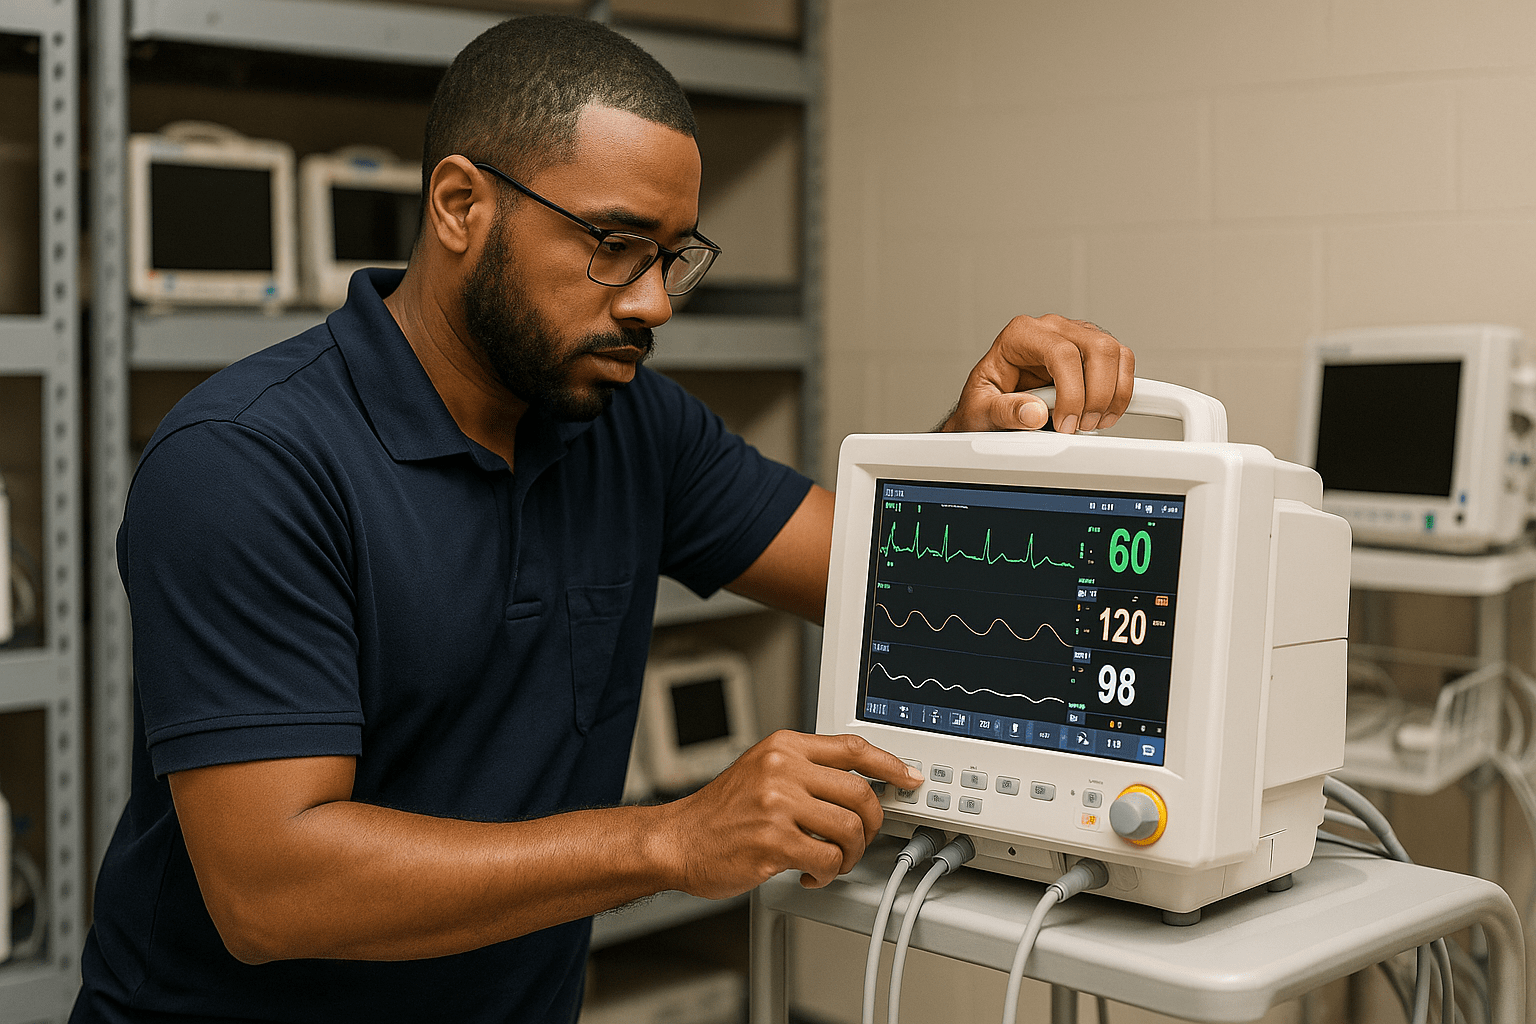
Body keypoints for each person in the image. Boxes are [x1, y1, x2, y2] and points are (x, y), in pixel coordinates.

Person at [73, 15, 1133, 1024]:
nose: (654, 302)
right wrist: (671, 840)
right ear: (459, 205)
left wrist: (971, 437)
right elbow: (270, 891)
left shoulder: (628, 424)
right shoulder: (249, 461)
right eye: (616, 243)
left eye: (674, 254)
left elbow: (885, 584)